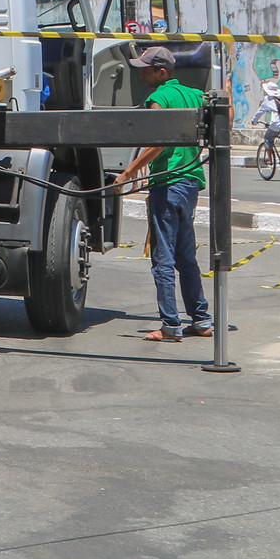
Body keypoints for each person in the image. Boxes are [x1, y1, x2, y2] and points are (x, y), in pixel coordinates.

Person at [112, 47, 213, 342]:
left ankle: (170, 326)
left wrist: (128, 172)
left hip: (167, 184)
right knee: (186, 257)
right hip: (190, 183)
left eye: (146, 69)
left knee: (163, 258)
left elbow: (160, 143)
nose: (141, 73)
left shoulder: (158, 99)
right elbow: (223, 115)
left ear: (162, 72)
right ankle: (201, 320)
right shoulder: (194, 95)